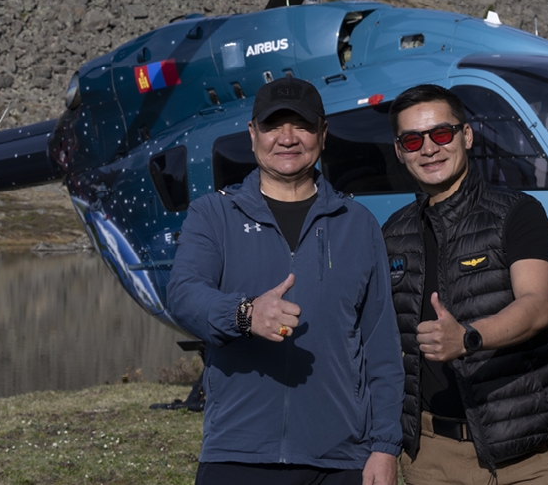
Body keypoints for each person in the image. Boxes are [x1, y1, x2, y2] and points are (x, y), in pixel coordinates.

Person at [168, 76, 404, 485]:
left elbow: (381, 348)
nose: (288, 137)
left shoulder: (358, 223)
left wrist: (385, 446)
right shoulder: (213, 215)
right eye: (273, 125)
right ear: (253, 134)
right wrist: (244, 314)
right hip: (237, 454)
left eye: (303, 125)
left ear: (323, 134)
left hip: (340, 460)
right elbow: (184, 295)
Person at [381, 84, 548, 484]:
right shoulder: (393, 233)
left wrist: (468, 337)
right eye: (412, 140)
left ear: (466, 135)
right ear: (399, 151)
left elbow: (537, 307)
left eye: (441, 133)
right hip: (430, 460)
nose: (428, 149)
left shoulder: (517, 214)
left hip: (521, 459)